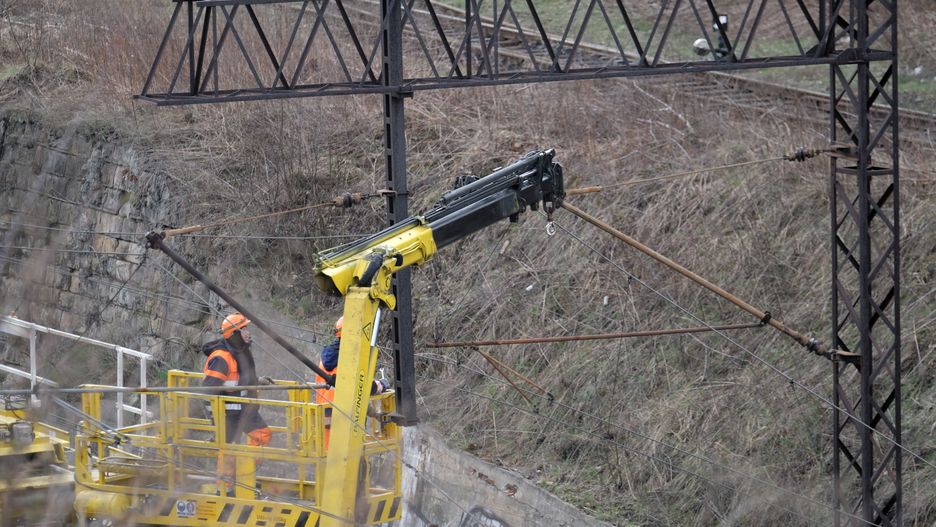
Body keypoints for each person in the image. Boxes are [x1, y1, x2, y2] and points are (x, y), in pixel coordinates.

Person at [202, 312, 273, 495]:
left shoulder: (239, 352)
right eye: (244, 329)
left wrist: (256, 381)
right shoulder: (222, 357)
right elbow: (209, 389)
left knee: (262, 435)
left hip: (242, 410)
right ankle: (225, 489)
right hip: (229, 412)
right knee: (228, 449)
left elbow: (238, 379)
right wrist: (215, 422)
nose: (248, 332)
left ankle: (242, 475)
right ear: (234, 334)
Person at [315, 315, 390, 448]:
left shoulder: (326, 356)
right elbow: (363, 387)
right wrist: (381, 385)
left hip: (324, 417)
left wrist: (373, 412)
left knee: (326, 461)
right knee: (344, 463)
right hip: (343, 418)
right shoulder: (348, 358)